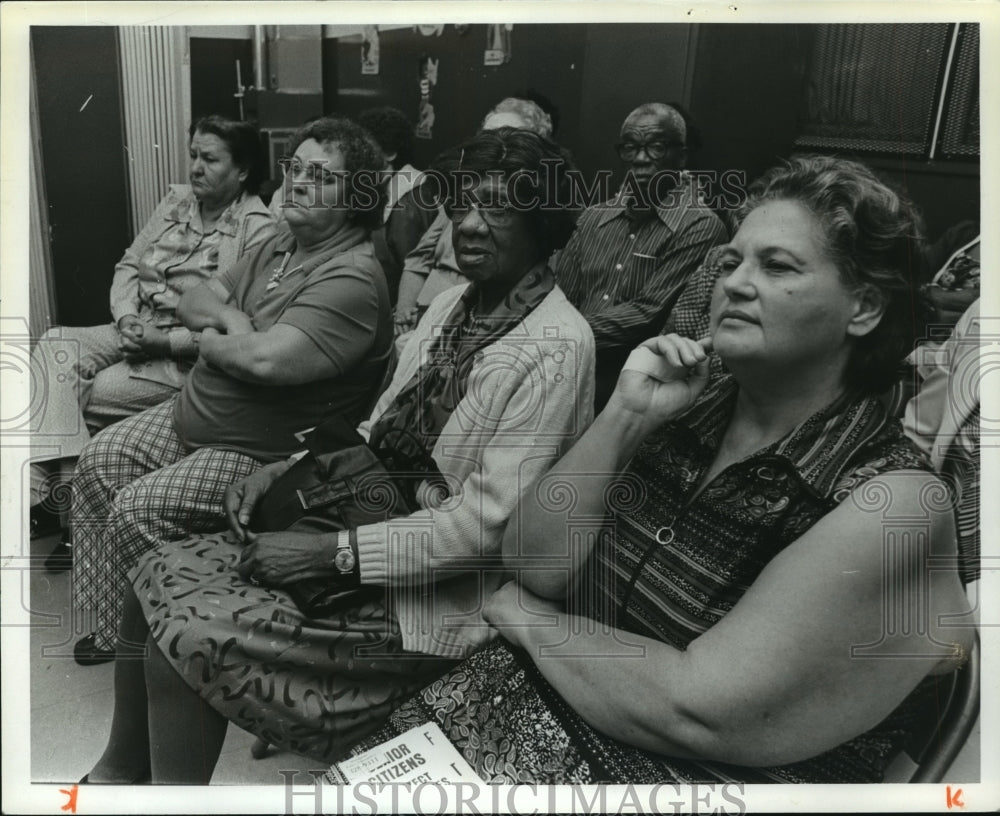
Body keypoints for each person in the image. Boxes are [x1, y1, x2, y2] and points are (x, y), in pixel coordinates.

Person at [352, 155, 976, 784]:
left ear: (864, 308)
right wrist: (622, 415)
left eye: (777, 266)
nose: (733, 283)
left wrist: (531, 622)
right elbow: (531, 564)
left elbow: (696, 708)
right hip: (537, 709)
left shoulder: (891, 500)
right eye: (730, 262)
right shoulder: (686, 408)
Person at [82, 127, 594, 784]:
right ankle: (115, 779)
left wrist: (329, 555)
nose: (467, 224)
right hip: (362, 523)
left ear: (543, 221)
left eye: (495, 207)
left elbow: (485, 531)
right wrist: (281, 472)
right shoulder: (448, 308)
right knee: (152, 577)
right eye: (460, 204)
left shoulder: (557, 346)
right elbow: (373, 436)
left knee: (186, 632)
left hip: (436, 599)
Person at [69, 116, 394, 665]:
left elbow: (265, 364)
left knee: (137, 509)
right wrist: (232, 324)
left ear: (357, 198)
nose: (296, 183)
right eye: (294, 169)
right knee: (99, 461)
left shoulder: (352, 277)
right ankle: (117, 634)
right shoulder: (282, 241)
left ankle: (178, 657)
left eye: (319, 176)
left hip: (262, 452)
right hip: (193, 413)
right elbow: (194, 301)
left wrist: (212, 341)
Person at [29, 115, 275, 545]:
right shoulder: (176, 202)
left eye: (210, 159)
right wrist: (126, 317)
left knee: (76, 392)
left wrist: (166, 340)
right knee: (55, 347)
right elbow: (128, 264)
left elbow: (239, 329)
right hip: (137, 327)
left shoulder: (259, 230)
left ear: (243, 170)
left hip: (181, 357)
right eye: (193, 155)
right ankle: (62, 499)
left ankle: (60, 507)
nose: (195, 167)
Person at [557, 102, 728, 410]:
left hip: (633, 385)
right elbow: (561, 297)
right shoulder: (593, 217)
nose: (640, 159)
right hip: (564, 367)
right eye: (631, 147)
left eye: (657, 148)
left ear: (683, 155)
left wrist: (559, 333)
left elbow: (648, 315)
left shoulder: (700, 226)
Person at [392, 96, 555, 337]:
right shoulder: (463, 199)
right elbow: (418, 261)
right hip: (424, 314)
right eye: (486, 136)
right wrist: (404, 314)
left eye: (507, 135)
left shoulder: (536, 211)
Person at [356, 106, 439, 303]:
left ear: (390, 153)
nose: (357, 159)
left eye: (365, 150)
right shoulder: (376, 188)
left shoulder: (410, 198)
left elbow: (413, 269)